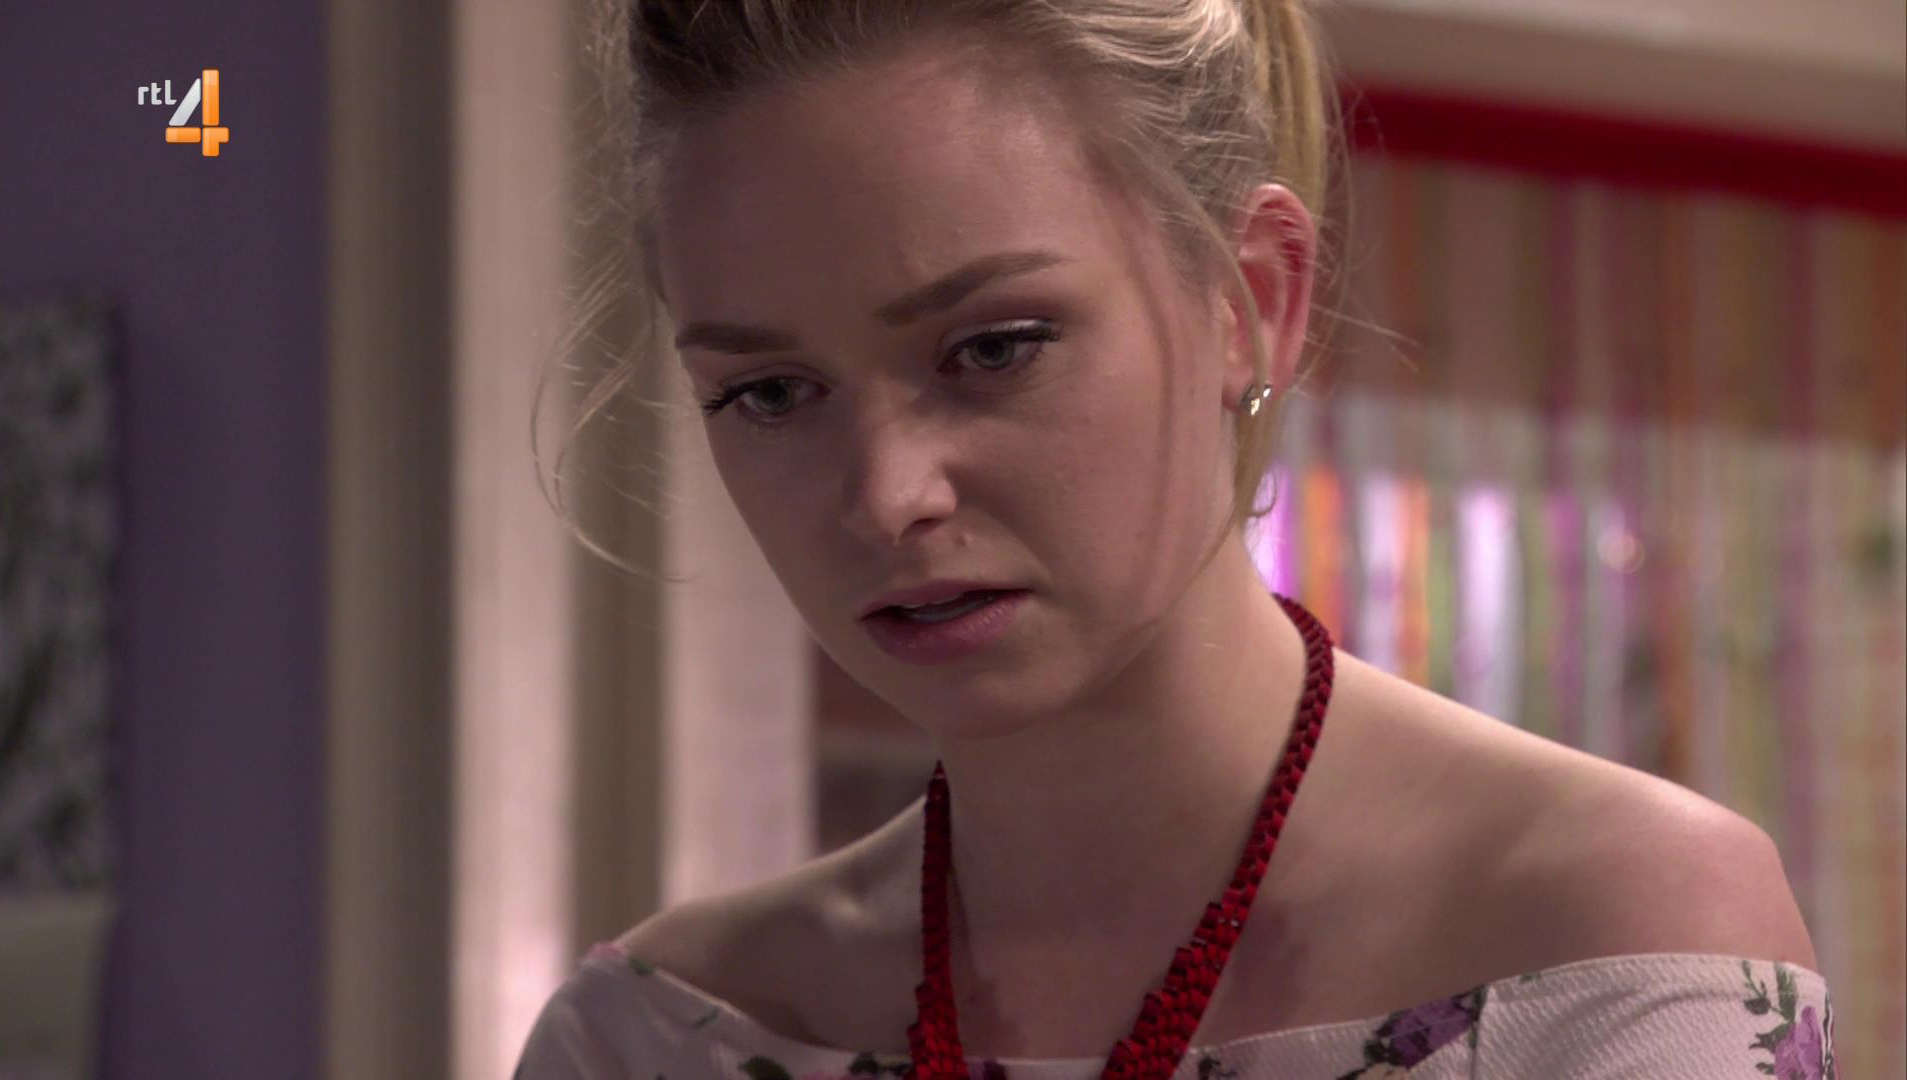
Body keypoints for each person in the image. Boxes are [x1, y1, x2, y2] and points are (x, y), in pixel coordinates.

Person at [517, 1, 1833, 1076]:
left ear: (1251, 299)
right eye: (769, 394)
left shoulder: (1609, 935)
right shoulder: (655, 1036)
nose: (886, 495)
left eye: (994, 348)